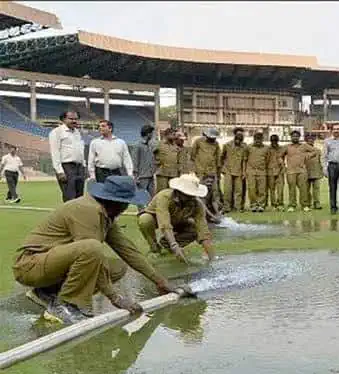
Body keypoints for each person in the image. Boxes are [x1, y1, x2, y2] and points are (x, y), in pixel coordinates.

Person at [13, 175, 183, 325]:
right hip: (30, 265)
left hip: (49, 264)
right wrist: (116, 298)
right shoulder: (87, 210)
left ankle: (46, 293)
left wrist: (160, 280)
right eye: (126, 204)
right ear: (117, 202)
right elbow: (91, 253)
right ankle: (66, 305)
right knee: (92, 248)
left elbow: (127, 250)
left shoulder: (105, 214)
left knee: (117, 268)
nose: (126, 208)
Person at [138, 173, 215, 263]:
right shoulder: (164, 197)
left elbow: (203, 229)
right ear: (179, 192)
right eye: (187, 195)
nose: (191, 198)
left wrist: (211, 256)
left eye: (193, 195)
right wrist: (175, 246)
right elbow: (164, 223)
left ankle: (166, 244)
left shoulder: (197, 204)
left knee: (194, 228)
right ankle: (155, 248)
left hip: (178, 221)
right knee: (145, 219)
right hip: (157, 219)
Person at [49, 111, 86, 202]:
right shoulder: (57, 132)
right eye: (71, 119)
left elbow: (80, 150)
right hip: (67, 167)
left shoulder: (77, 132)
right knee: (69, 196)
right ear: (63, 119)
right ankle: (68, 216)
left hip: (79, 167)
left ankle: (77, 216)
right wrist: (59, 171)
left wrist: (84, 166)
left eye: (76, 119)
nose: (74, 121)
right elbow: (55, 152)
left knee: (79, 197)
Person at [191, 127, 222, 221]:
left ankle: (216, 214)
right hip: (201, 172)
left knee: (214, 193)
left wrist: (218, 173)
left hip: (212, 172)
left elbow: (218, 159)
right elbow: (193, 155)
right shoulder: (198, 141)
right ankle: (202, 214)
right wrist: (196, 168)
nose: (212, 139)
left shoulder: (216, 144)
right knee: (202, 193)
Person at [284, 130, 314, 212]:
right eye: (293, 136)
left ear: (299, 137)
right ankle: (292, 205)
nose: (295, 137)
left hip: (302, 171)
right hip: (290, 171)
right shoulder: (287, 147)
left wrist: (307, 156)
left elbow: (315, 151)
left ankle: (305, 205)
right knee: (291, 189)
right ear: (291, 137)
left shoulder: (304, 146)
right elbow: (280, 156)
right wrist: (283, 166)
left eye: (296, 136)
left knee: (303, 189)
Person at [220, 128, 247, 213]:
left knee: (238, 191)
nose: (239, 137)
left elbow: (244, 160)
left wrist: (244, 172)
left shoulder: (244, 147)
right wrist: (222, 168)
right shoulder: (227, 145)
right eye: (238, 135)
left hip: (239, 171)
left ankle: (237, 207)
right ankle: (227, 207)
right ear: (234, 135)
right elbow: (221, 157)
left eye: (241, 136)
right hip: (228, 170)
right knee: (228, 190)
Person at [244, 131, 270, 212]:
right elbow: (245, 159)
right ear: (254, 139)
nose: (258, 141)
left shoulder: (266, 148)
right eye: (256, 139)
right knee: (252, 189)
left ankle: (261, 205)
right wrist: (245, 171)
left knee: (262, 190)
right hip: (251, 171)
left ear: (262, 139)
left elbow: (267, 160)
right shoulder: (248, 147)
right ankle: (253, 205)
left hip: (262, 171)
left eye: (260, 139)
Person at [133, 125, 157, 211]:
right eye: (152, 133)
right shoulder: (137, 145)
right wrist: (135, 177)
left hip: (150, 175)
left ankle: (150, 212)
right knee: (140, 196)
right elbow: (135, 161)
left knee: (153, 197)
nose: (153, 135)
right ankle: (140, 213)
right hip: (141, 176)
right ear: (148, 133)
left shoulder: (151, 145)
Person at [153, 128, 180, 193]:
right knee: (162, 192)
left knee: (172, 193)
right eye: (173, 135)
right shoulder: (159, 144)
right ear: (167, 135)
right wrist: (156, 162)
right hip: (162, 173)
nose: (174, 137)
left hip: (173, 174)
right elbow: (151, 154)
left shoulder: (175, 146)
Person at [266, 134, 286, 211]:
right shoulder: (267, 149)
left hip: (280, 171)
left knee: (280, 189)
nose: (274, 142)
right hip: (270, 171)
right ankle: (273, 204)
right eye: (272, 141)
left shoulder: (282, 149)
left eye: (275, 140)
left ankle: (280, 204)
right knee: (272, 189)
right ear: (270, 141)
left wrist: (283, 168)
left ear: (278, 140)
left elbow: (284, 159)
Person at [304, 133, 323, 210]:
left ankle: (317, 203)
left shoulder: (318, 150)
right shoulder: (303, 151)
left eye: (312, 139)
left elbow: (320, 161)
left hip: (316, 172)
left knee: (316, 189)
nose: (310, 141)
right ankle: (308, 203)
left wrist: (321, 171)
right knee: (306, 189)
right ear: (306, 141)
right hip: (306, 172)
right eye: (309, 140)